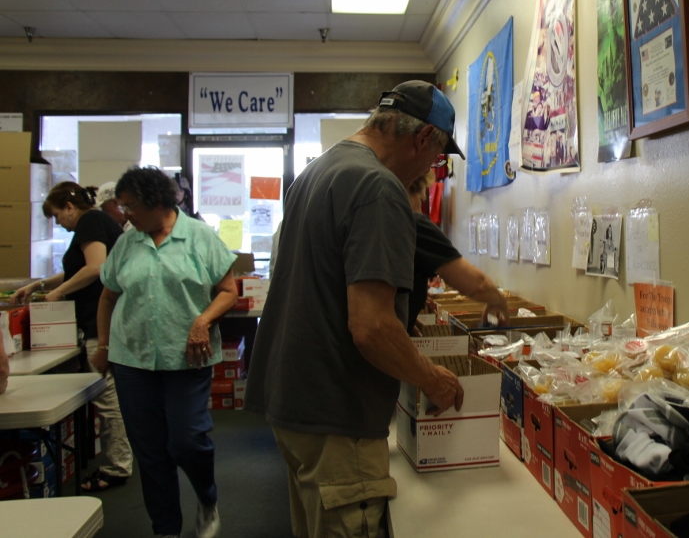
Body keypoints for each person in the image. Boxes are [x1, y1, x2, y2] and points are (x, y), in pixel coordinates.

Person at [246, 80, 466, 538]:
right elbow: (372, 327)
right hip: (338, 415)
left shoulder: (318, 170)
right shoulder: (378, 188)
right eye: (436, 157)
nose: (430, 168)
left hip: (295, 405)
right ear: (424, 137)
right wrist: (433, 379)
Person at [91, 167, 237, 538]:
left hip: (186, 358)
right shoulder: (128, 242)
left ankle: (206, 498)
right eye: (123, 206)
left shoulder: (199, 236)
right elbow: (108, 297)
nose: (126, 214)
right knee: (150, 451)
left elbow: (228, 291)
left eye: (131, 206)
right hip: (132, 360)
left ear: (157, 201)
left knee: (188, 441)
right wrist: (104, 344)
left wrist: (203, 320)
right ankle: (166, 529)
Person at [12, 181, 132, 491]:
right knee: (110, 394)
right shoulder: (96, 223)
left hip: (100, 323)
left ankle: (117, 466)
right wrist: (39, 285)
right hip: (106, 320)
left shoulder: (90, 221)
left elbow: (95, 268)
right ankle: (120, 459)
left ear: (69, 206)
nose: (58, 224)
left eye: (56, 215)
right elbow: (78, 269)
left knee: (107, 396)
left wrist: (59, 293)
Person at [405, 171, 508, 333]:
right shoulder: (414, 224)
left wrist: (405, 317)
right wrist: (498, 301)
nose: (421, 206)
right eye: (422, 199)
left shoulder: (385, 220)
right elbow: (477, 284)